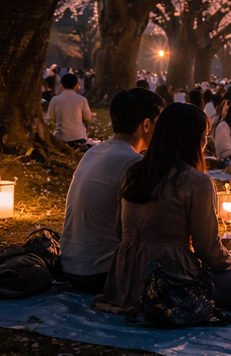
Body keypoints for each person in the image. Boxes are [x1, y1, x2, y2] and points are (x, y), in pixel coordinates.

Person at [96, 104, 231, 314]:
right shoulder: (197, 182)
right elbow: (207, 250)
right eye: (204, 135)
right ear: (191, 138)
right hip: (170, 280)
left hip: (123, 280)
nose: (206, 142)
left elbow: (119, 230)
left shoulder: (133, 173)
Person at [60, 88, 165, 295]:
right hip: (102, 274)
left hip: (70, 268)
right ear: (146, 124)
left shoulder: (93, 152)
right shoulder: (133, 162)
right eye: (158, 123)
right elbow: (145, 230)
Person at [46, 73, 95, 146]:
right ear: (77, 86)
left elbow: (50, 117)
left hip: (60, 138)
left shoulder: (55, 100)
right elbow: (87, 118)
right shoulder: (82, 99)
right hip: (79, 137)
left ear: (61, 85)